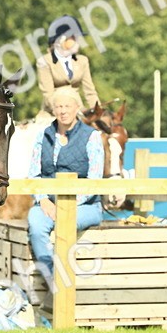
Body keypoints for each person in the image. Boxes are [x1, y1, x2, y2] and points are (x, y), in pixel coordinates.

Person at [27, 87, 106, 278]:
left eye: (67, 106)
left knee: (65, 223)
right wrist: (43, 200)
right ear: (53, 110)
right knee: (36, 224)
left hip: (85, 205)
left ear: (77, 107)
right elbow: (34, 174)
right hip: (49, 204)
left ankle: (65, 281)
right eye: (58, 106)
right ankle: (53, 278)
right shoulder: (42, 136)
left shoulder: (92, 136)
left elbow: (94, 179)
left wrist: (66, 205)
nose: (63, 111)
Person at [35, 15, 100, 125]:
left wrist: (99, 112)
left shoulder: (82, 61)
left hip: (78, 112)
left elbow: (90, 92)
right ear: (61, 40)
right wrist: (65, 111)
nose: (78, 41)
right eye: (74, 37)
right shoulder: (44, 62)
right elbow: (48, 95)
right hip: (53, 113)